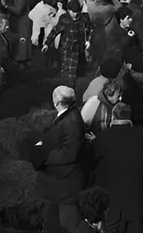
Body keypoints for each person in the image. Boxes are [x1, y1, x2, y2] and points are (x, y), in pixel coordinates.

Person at [89, 103, 143, 233]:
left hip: (110, 204)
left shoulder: (101, 138)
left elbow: (91, 162)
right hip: (136, 203)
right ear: (129, 117)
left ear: (113, 116)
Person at [32, 85, 85, 233]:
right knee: (54, 222)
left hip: (65, 185)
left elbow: (69, 153)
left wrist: (42, 155)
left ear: (56, 101)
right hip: (59, 184)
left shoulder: (71, 121)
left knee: (68, 225)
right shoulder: (69, 116)